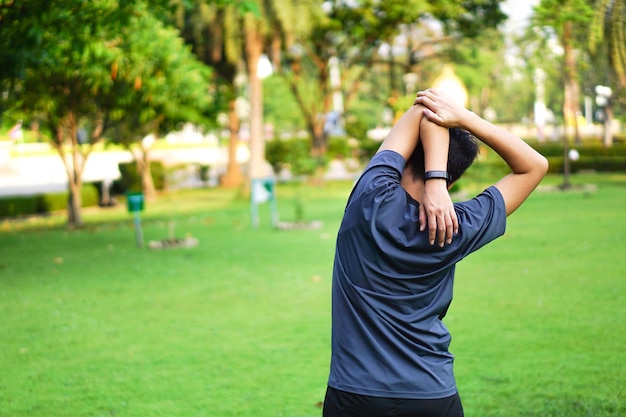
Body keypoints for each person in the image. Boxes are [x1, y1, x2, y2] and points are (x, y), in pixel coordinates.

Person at [323, 88, 549, 417]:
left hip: (354, 393)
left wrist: (432, 180)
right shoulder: (457, 227)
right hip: (430, 392)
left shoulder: (368, 199)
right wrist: (465, 125)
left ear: (406, 154)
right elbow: (534, 166)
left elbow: (424, 107)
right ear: (456, 179)